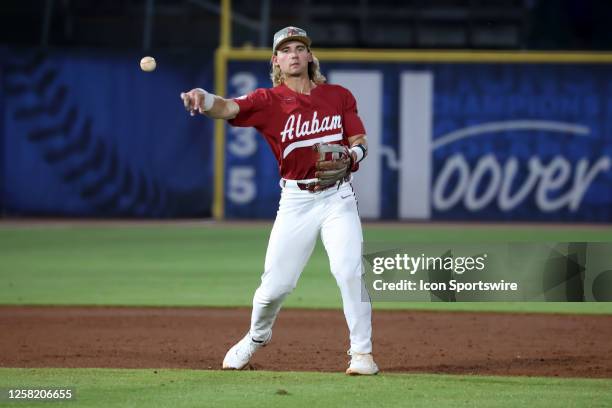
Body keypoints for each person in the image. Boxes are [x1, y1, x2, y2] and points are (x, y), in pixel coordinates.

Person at [180, 26, 378, 375]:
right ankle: (256, 337)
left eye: (300, 48)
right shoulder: (267, 101)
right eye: (286, 50)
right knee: (275, 287)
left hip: (338, 197)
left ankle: (361, 355)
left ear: (310, 57)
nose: (294, 54)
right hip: (296, 201)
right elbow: (226, 107)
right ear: (276, 61)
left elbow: (360, 140)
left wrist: (352, 155)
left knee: (349, 271)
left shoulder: (338, 96)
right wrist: (203, 97)